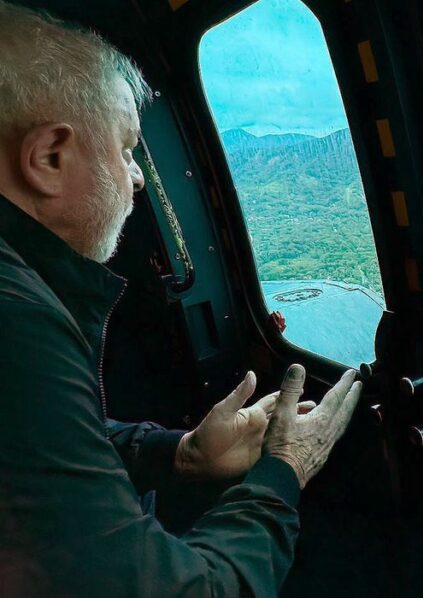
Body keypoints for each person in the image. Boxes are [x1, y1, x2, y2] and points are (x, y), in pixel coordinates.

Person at [0, 2, 361, 595]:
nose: (138, 176)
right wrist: (284, 470)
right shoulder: (17, 324)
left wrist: (182, 454)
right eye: (125, 148)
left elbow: (45, 455)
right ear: (49, 159)